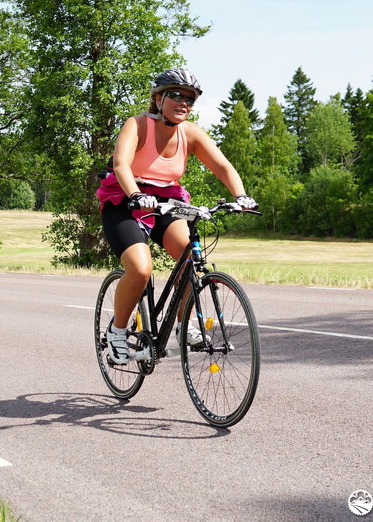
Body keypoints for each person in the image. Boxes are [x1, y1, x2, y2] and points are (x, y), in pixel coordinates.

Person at [96, 68, 258, 364]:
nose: (184, 102)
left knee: (190, 259)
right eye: (176, 95)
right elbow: (121, 165)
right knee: (141, 269)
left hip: (167, 202)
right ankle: (118, 332)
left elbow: (222, 165)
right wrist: (136, 195)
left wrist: (240, 195)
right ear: (158, 99)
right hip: (126, 200)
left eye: (190, 98)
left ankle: (184, 325)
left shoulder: (191, 133)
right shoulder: (137, 124)